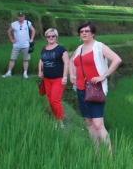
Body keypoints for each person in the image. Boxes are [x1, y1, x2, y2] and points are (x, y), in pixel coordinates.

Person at [70, 21, 122, 153]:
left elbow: (117, 59)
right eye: (81, 31)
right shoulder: (79, 48)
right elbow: (71, 61)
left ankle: (110, 157)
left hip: (95, 90)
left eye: (87, 31)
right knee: (89, 123)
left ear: (93, 33)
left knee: (98, 124)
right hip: (81, 89)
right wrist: (72, 76)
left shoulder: (99, 47)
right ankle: (96, 153)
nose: (84, 33)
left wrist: (104, 75)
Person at [38, 28, 69, 128]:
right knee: (50, 100)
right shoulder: (44, 49)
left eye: (53, 36)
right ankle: (56, 118)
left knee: (55, 100)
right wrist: (40, 71)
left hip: (58, 79)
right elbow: (41, 60)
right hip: (47, 79)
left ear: (56, 37)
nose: (51, 38)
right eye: (48, 36)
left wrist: (65, 77)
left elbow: (66, 62)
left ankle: (60, 122)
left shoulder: (61, 49)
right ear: (46, 38)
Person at [2, 12, 36, 78]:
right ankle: (9, 72)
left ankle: (25, 73)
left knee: (26, 59)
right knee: (12, 59)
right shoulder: (14, 24)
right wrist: (11, 39)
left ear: (24, 17)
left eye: (22, 16)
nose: (21, 18)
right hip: (16, 45)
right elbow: (9, 31)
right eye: (19, 16)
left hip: (26, 45)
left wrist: (31, 38)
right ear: (17, 17)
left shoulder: (27, 23)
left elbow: (33, 30)